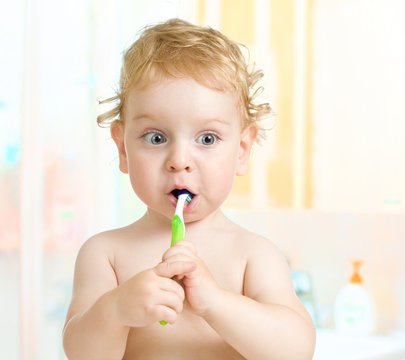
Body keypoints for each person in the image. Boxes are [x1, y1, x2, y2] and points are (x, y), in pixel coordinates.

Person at [62, 18, 316, 359]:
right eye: (156, 138)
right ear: (123, 148)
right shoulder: (105, 255)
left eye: (207, 139)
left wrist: (216, 301)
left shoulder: (254, 256)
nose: (179, 160)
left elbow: (295, 350)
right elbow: (81, 353)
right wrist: (115, 310)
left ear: (241, 150)